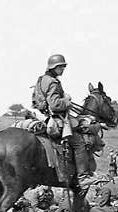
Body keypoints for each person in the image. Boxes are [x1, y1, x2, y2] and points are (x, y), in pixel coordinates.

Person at [34, 54, 101, 190]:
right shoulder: (52, 82)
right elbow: (54, 105)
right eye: (60, 67)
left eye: (63, 66)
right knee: (79, 142)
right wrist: (67, 101)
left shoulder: (42, 80)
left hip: (42, 115)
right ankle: (83, 177)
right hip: (55, 118)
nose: (63, 69)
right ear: (53, 67)